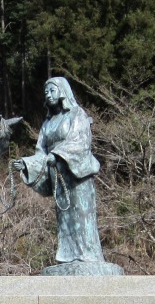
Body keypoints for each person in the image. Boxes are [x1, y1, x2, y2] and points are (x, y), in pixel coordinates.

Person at [13, 77, 105, 265]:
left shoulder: (77, 114)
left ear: (63, 92)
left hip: (76, 172)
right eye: (46, 92)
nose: (48, 94)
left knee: (81, 214)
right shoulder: (48, 123)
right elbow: (41, 152)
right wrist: (26, 163)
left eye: (52, 90)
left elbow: (80, 141)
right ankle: (68, 256)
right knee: (64, 218)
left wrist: (58, 154)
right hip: (57, 173)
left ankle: (87, 255)